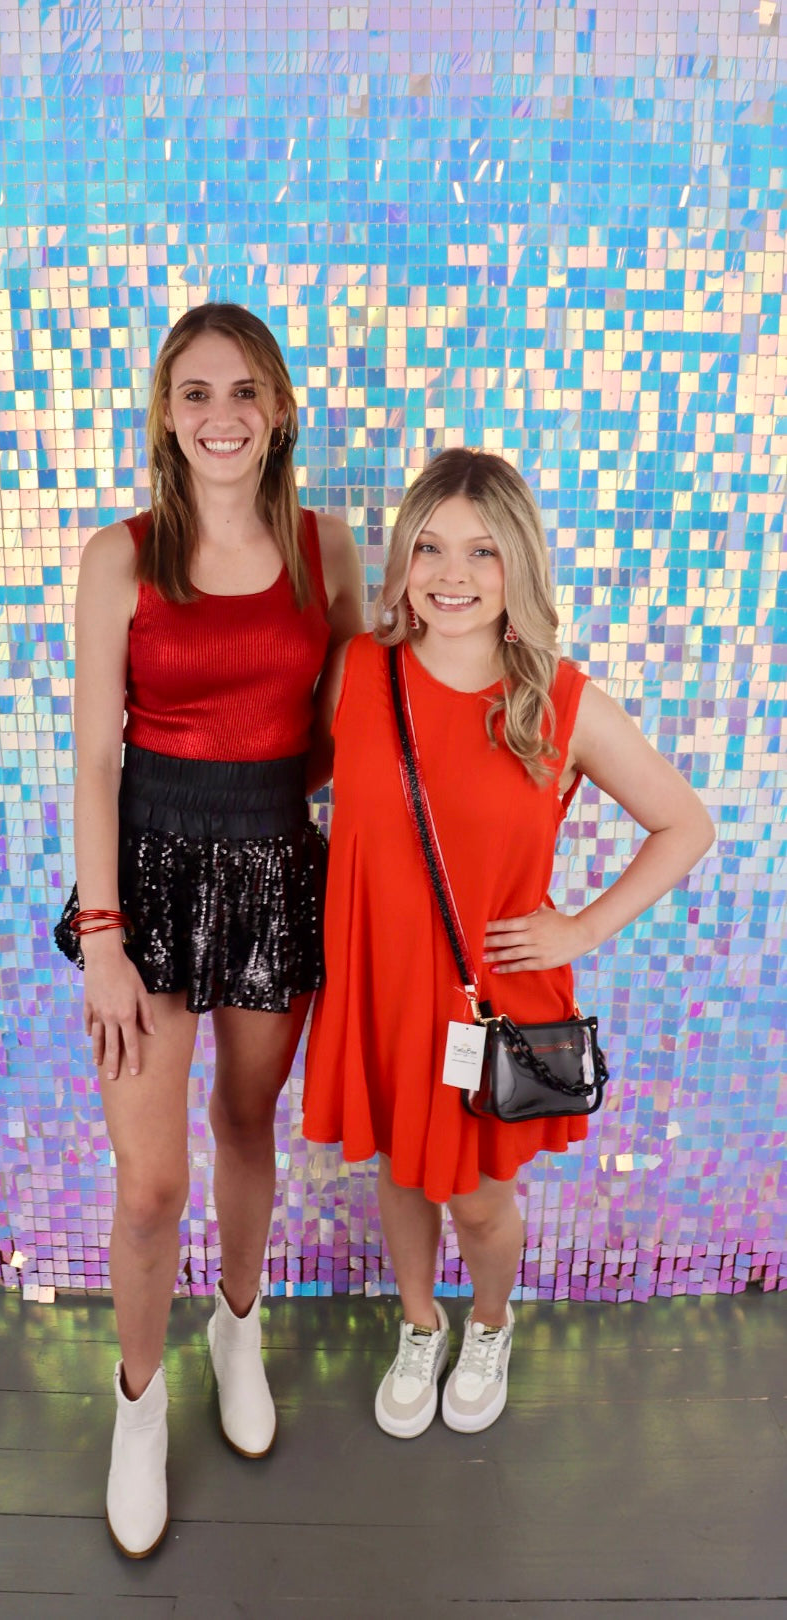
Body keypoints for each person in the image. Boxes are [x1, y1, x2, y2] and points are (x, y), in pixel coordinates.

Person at [302, 448, 714, 1441]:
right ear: (403, 561)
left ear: (517, 565)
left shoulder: (559, 702)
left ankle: (489, 1322)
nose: (452, 574)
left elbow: (687, 825)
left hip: (487, 1002)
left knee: (482, 1204)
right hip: (380, 987)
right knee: (401, 1174)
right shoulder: (359, 671)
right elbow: (295, 782)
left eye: (482, 551)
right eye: (430, 547)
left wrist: (582, 927)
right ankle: (419, 1324)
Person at [54, 302, 363, 1556]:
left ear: (279, 409)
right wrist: (104, 936)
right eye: (196, 392)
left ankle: (239, 1328)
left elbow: (347, 736)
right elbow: (94, 760)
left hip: (276, 868)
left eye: (244, 392)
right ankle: (138, 1407)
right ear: (166, 414)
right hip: (147, 879)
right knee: (150, 1185)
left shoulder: (328, 549)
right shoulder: (119, 556)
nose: (222, 415)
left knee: (246, 1123)